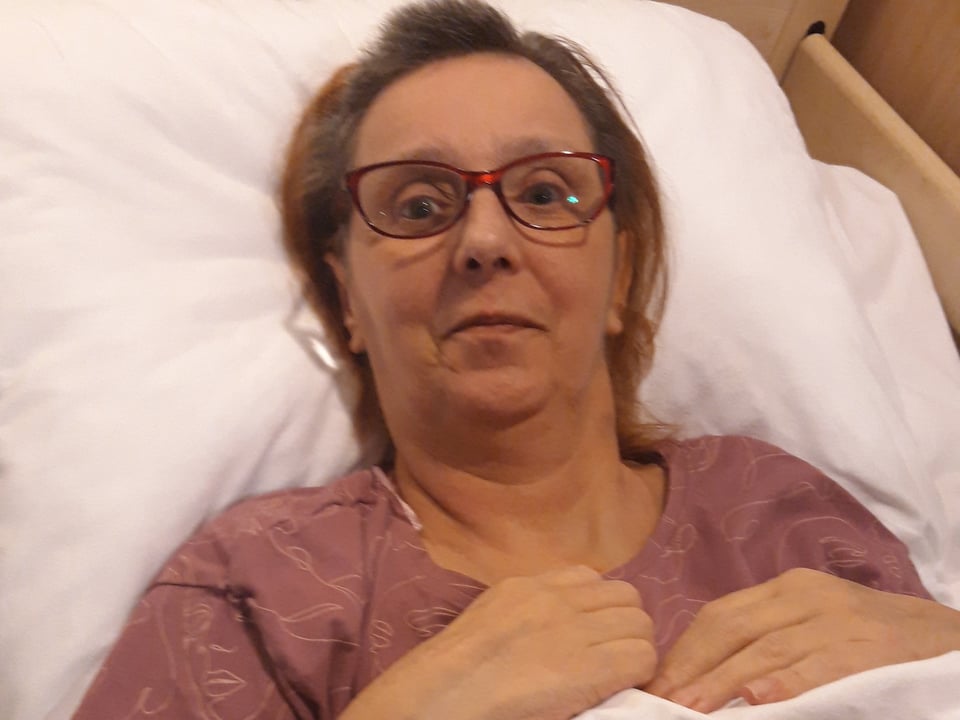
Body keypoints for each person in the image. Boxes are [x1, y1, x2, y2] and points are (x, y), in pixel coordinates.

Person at [73, 1, 960, 718]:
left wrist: (940, 648)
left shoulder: (778, 507)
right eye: (419, 207)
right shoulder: (255, 591)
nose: (486, 241)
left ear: (619, 278)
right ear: (348, 301)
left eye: (544, 191)